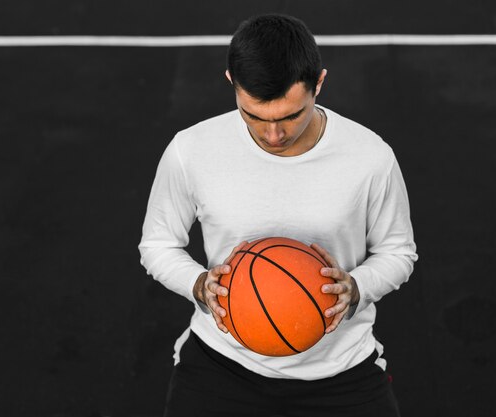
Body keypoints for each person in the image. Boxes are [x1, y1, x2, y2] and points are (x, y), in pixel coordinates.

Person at [138, 13, 418, 417]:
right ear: (232, 82)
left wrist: (355, 288)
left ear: (318, 83)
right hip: (223, 363)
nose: (274, 135)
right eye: (254, 116)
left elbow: (398, 252)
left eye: (290, 116)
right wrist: (199, 284)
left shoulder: (371, 157)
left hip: (341, 369)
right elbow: (158, 244)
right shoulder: (191, 150)